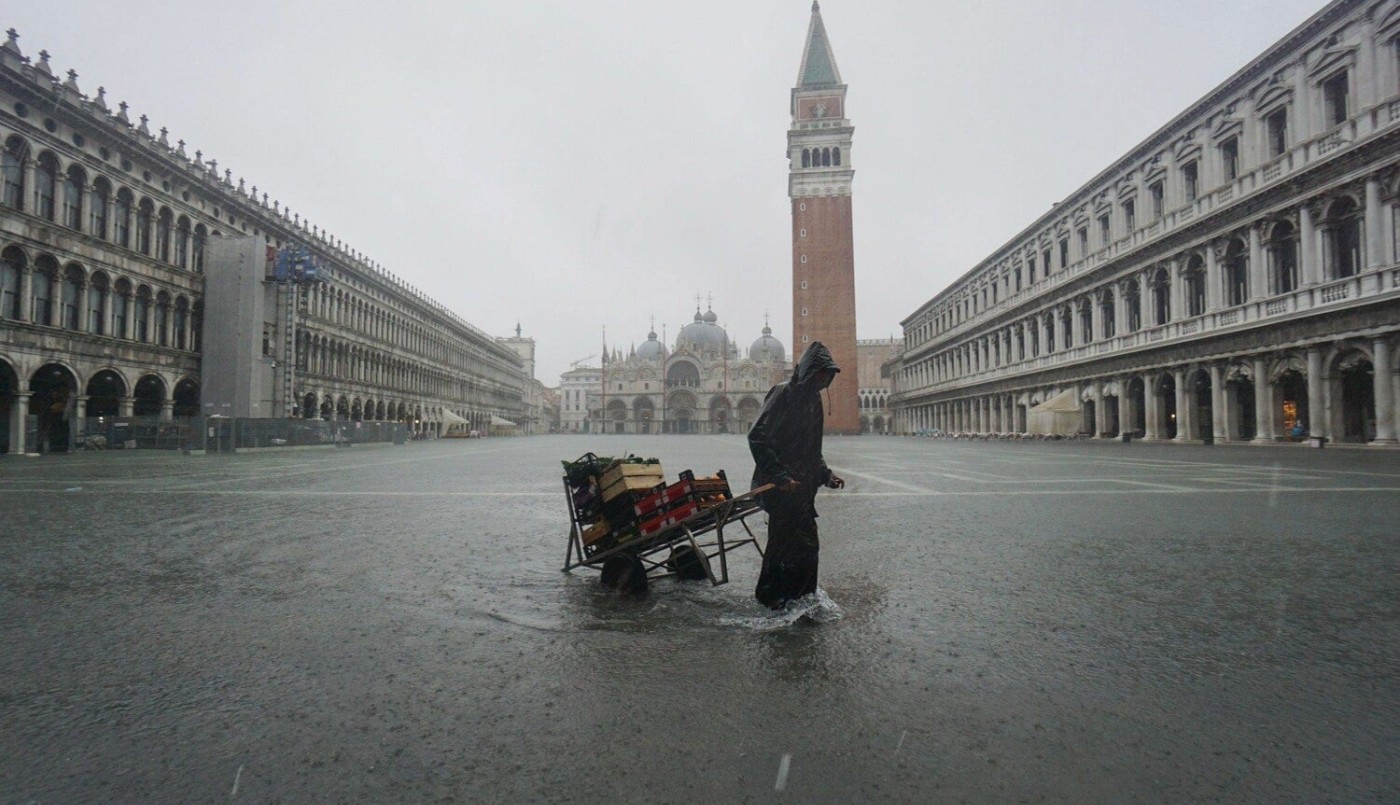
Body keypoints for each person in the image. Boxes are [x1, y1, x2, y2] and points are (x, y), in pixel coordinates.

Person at [747, 341, 846, 609]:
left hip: (802, 490)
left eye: (828, 376)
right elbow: (757, 436)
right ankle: (773, 598)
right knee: (783, 545)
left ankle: (801, 598)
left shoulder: (813, 400)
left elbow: (812, 449)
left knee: (806, 546)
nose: (825, 381)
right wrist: (780, 477)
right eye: (821, 374)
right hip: (780, 488)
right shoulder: (782, 394)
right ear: (808, 371)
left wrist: (826, 475)